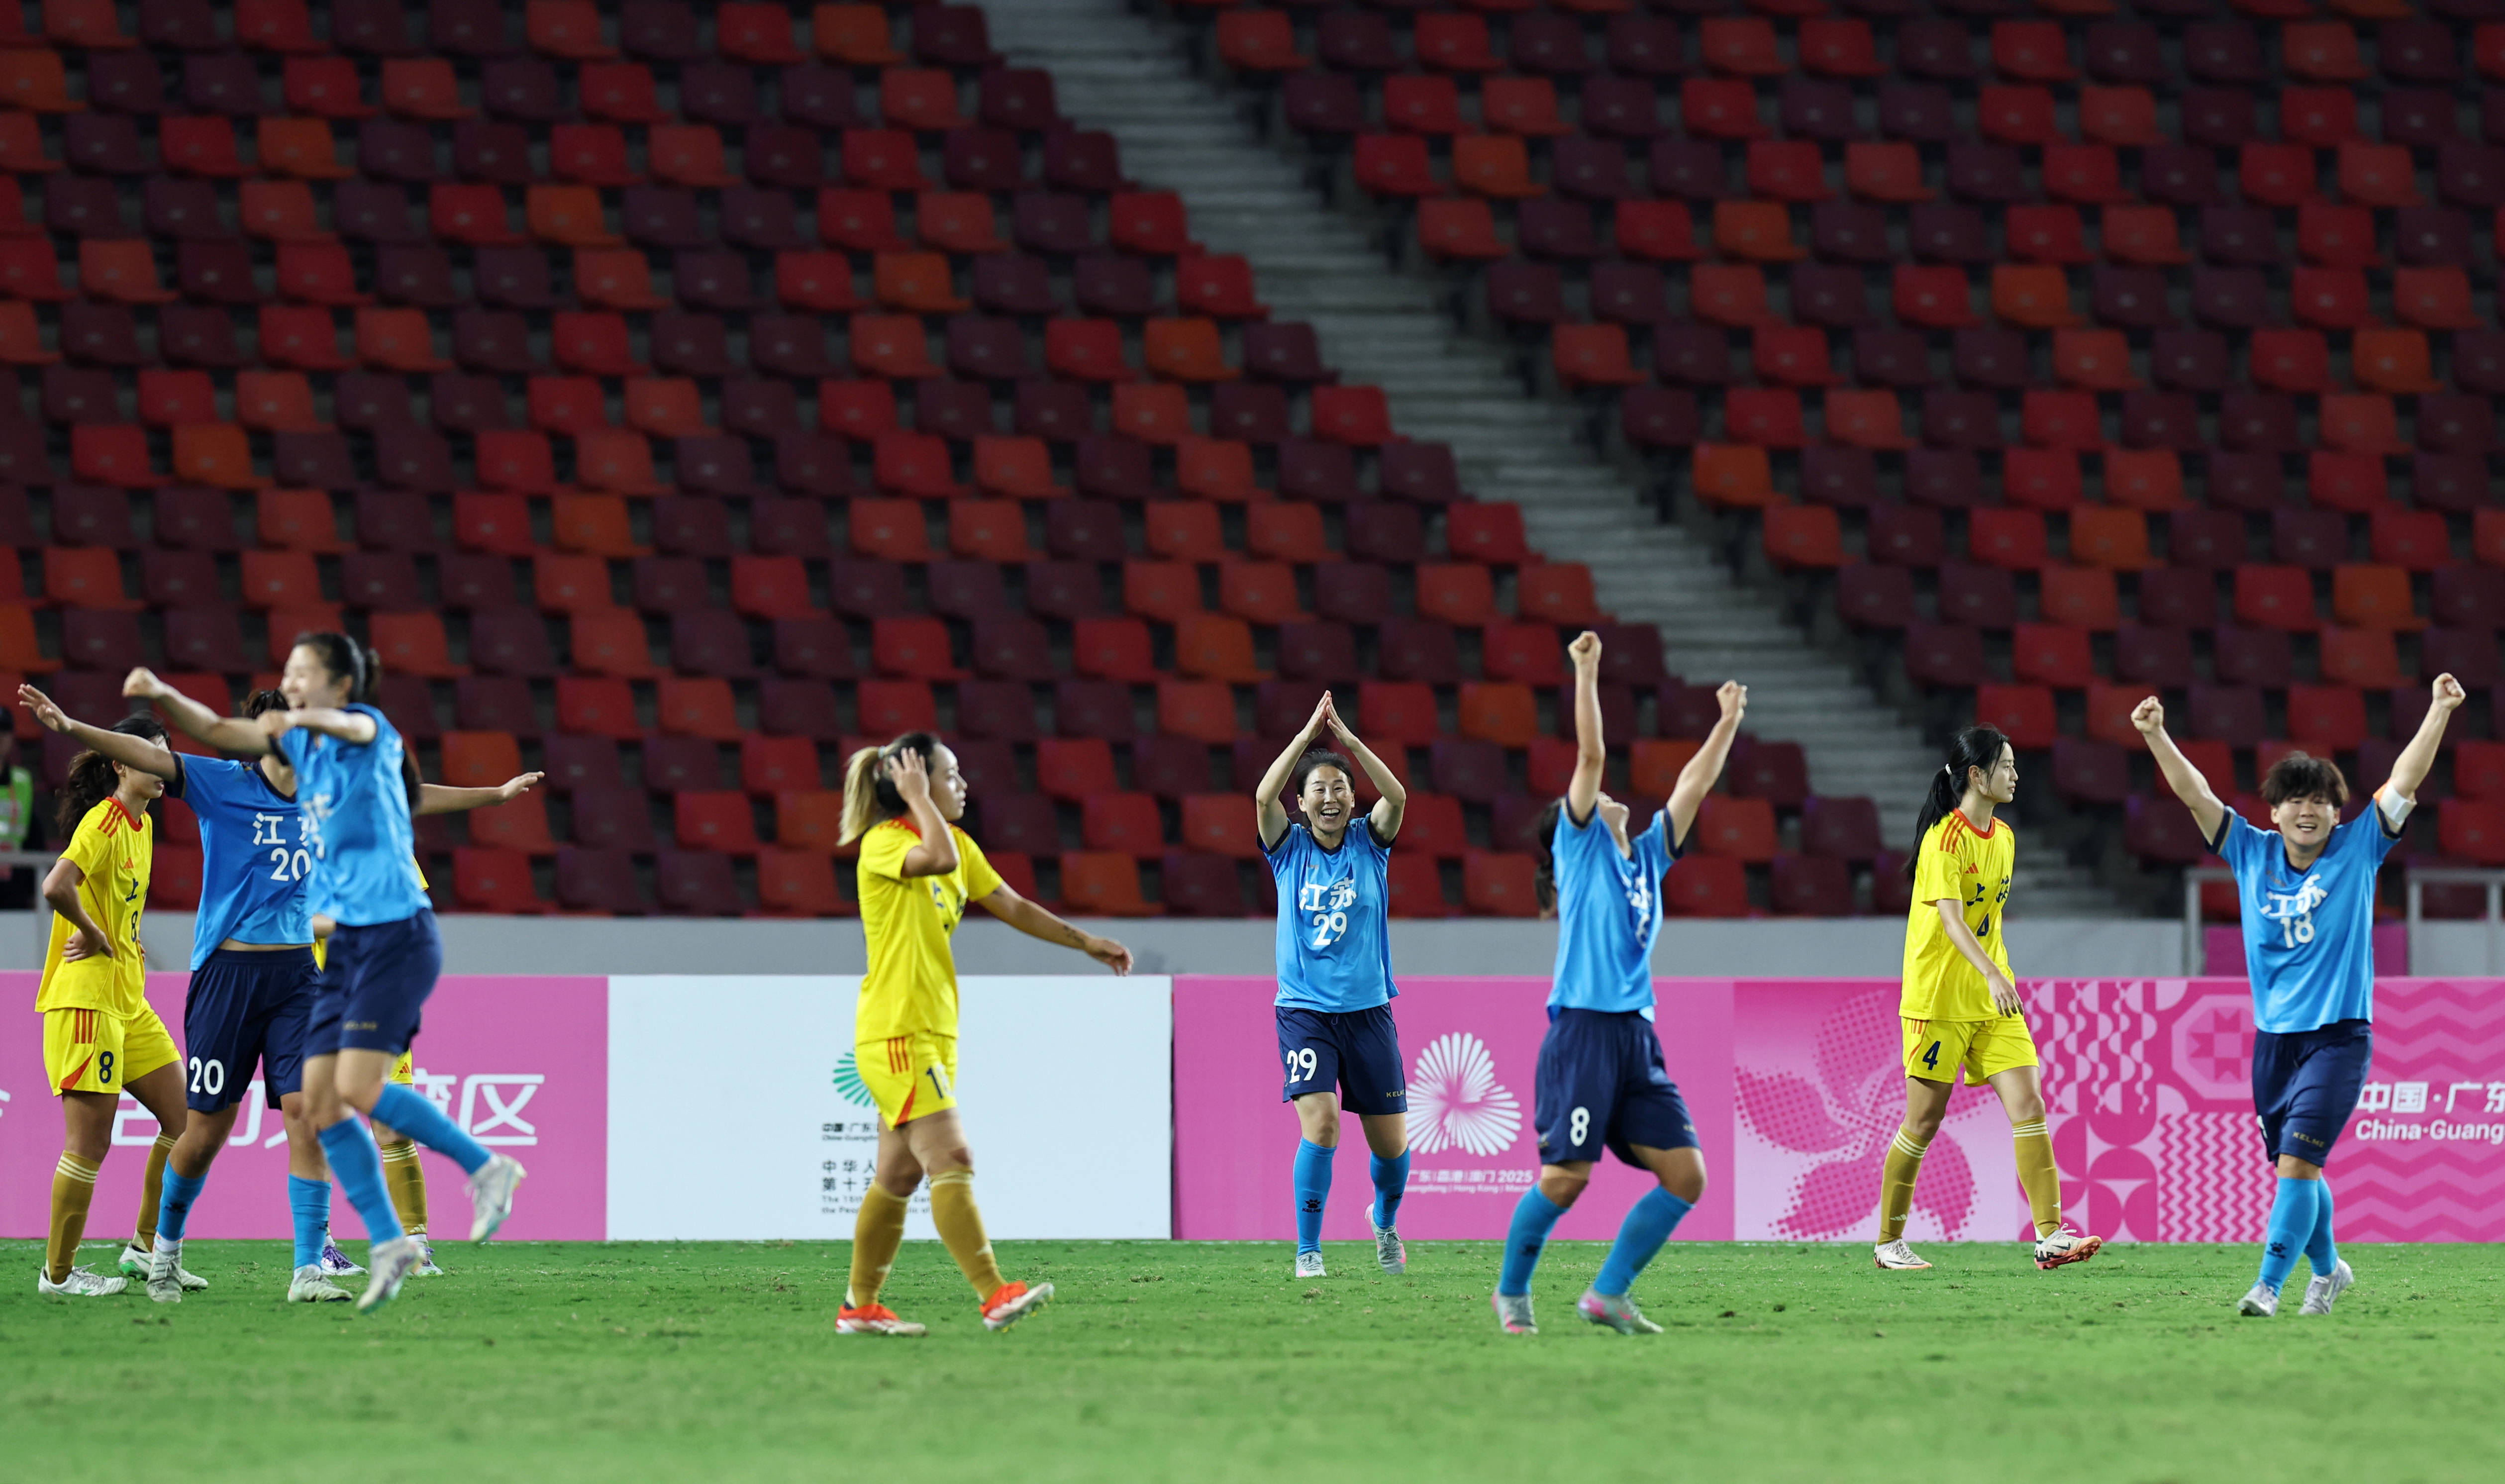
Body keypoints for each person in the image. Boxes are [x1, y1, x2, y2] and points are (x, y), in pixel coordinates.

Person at [31, 676, 537, 1303]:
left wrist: (496, 795)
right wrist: (71, 727)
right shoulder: (222, 783)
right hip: (228, 978)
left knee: (309, 1114)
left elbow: (405, 796)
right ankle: (162, 1249)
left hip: (298, 977)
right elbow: (147, 757)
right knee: (202, 1133)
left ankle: (307, 1269)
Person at [157, 633, 526, 1313]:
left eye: (303, 674)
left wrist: (492, 796)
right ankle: (387, 1242)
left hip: (393, 939)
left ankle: (485, 1168)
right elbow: (217, 733)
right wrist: (162, 695)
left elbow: (366, 745)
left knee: (354, 1089)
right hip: (336, 952)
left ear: (339, 685)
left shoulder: (365, 729)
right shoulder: (314, 783)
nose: (292, 686)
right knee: (322, 1106)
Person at [2134, 675, 2466, 1317]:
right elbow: (2195, 794)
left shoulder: (2360, 848)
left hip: (2338, 1038)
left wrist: (2438, 709)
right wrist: (2155, 734)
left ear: (2338, 813)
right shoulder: (2248, 852)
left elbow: (2404, 779)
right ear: (2274, 812)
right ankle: (2329, 1271)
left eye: (2319, 801)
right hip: (2274, 1044)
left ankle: (2267, 1286)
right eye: (2294, 800)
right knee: (2299, 1168)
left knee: (2297, 1165)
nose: (2307, 811)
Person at [834, 732, 1133, 1336]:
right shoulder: (885, 842)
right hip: (897, 1032)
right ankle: (994, 1294)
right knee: (952, 1157)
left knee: (898, 1176)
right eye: (949, 774)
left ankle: (859, 1307)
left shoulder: (957, 843)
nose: (962, 784)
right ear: (915, 783)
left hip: (931, 1031)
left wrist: (1085, 942)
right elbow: (938, 860)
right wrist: (919, 799)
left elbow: (1012, 905)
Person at [1493, 632, 1742, 1335]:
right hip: (1582, 1029)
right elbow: (1591, 756)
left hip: (1636, 1036)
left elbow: (1693, 784)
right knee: (1566, 1179)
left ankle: (1607, 1294)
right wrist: (1586, 671)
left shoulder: (1649, 857)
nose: (1603, 792)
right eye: (1590, 795)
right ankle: (1512, 1292)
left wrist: (1726, 721)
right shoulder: (1578, 847)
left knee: (1686, 1175)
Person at [1873, 726, 2102, 1275]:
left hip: (1993, 1000)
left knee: (2030, 1105)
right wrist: (1993, 973)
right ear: (1976, 775)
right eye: (2006, 766)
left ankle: (2049, 1236)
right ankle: (1888, 1243)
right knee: (1923, 1120)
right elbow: (1952, 921)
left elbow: (1987, 920)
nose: (2015, 775)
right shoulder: (1943, 840)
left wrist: (1997, 977)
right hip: (1938, 1000)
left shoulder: (2004, 837)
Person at [32, 713, 190, 1298]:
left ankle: (146, 1249)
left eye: (166, 756)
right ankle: (58, 1275)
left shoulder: (142, 826)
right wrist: (92, 931)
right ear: (121, 763)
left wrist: (117, 935)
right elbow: (56, 886)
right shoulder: (104, 819)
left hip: (129, 1000)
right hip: (88, 1001)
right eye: (150, 755)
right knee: (89, 1144)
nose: (162, 766)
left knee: (184, 1119)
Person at [1254, 692, 1410, 1281]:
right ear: (1301, 802)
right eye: (1317, 789)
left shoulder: (1371, 843)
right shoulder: (1287, 849)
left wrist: (1347, 740)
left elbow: (1397, 797)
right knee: (1321, 1124)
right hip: (1304, 1012)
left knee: (1391, 1148)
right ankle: (1308, 1250)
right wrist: (1304, 738)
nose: (1329, 797)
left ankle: (1384, 1220)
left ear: (1351, 799)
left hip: (1369, 1014)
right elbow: (1263, 798)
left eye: (1339, 788)